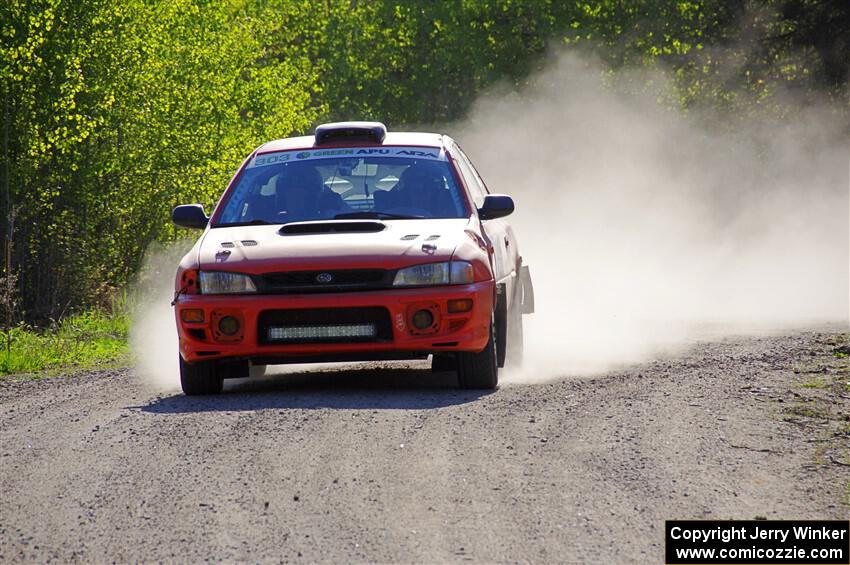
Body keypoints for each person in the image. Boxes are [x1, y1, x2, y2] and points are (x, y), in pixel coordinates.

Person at [276, 165, 346, 222]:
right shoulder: (269, 220)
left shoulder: (332, 218)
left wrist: (335, 201)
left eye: (302, 195)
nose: (296, 200)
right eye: (292, 196)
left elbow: (352, 217)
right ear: (282, 197)